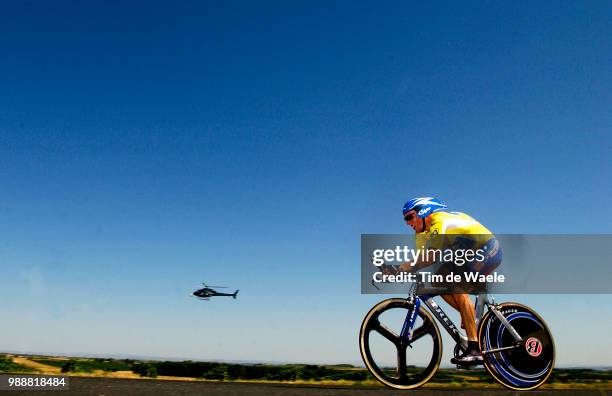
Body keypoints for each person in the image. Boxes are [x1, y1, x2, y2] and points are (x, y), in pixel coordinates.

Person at [393, 197, 502, 366]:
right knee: (439, 280)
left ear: (423, 211)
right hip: (468, 253)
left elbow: (430, 257)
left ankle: (474, 350)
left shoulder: (440, 221)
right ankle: (470, 319)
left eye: (409, 217)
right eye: (405, 219)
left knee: (458, 289)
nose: (407, 223)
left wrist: (403, 268)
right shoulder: (421, 234)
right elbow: (421, 259)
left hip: (488, 249)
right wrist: (398, 269)